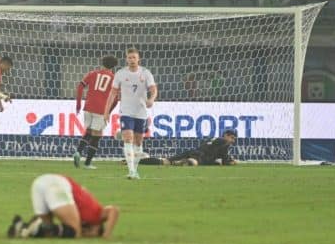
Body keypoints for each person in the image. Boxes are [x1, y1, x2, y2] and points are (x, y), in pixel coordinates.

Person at [7, 174, 119, 239]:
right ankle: (35, 227)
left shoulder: (82, 217)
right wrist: (107, 234)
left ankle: (22, 227)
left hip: (40, 182)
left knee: (49, 230)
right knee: (75, 232)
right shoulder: (97, 215)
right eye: (92, 234)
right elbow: (114, 210)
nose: (87, 235)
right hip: (58, 183)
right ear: (97, 227)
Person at [104, 48, 158, 180]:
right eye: (129, 57)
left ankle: (135, 168)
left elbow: (153, 89)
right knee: (128, 138)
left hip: (141, 112)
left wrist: (151, 99)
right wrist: (106, 111)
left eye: (134, 57)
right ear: (126, 59)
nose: (132, 60)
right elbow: (113, 93)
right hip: (126, 111)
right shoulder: (120, 74)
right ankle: (131, 171)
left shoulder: (146, 73)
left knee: (138, 143)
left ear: (138, 59)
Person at [73, 55, 118, 169]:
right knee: (97, 135)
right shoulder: (114, 79)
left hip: (88, 107)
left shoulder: (92, 73)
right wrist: (108, 112)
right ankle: (87, 163)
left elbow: (80, 87)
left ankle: (78, 152)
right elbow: (116, 99)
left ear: (102, 63)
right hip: (101, 110)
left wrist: (78, 104)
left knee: (88, 132)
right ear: (114, 66)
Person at [140, 129, 238, 166]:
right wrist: (232, 162)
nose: (232, 141)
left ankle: (139, 161)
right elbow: (225, 162)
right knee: (193, 162)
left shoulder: (214, 139)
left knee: (165, 161)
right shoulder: (225, 143)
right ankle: (182, 162)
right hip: (200, 157)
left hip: (193, 152)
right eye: (232, 138)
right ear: (226, 135)